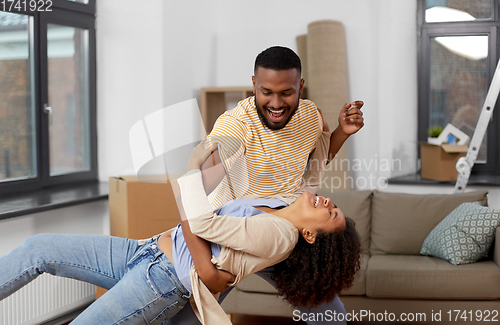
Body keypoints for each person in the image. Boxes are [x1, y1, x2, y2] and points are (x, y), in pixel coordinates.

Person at [0, 133, 361, 325]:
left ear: (311, 236)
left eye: (332, 215)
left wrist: (190, 170)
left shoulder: (278, 235)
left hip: (161, 281)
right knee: (39, 248)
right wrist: (342, 132)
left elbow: (202, 223)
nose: (330, 203)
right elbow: (313, 167)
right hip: (143, 250)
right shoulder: (284, 201)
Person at [170, 46, 364, 325]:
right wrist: (204, 266)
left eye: (286, 92)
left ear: (301, 86)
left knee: (331, 316)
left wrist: (341, 132)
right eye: (266, 92)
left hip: (285, 230)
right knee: (189, 319)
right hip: (233, 235)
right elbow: (187, 193)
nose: (276, 103)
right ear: (253, 85)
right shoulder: (235, 127)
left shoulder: (311, 117)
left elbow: (315, 162)